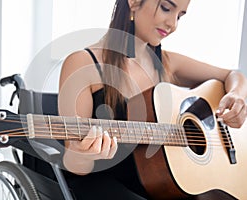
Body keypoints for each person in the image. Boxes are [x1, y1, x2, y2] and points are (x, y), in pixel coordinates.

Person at [58, 0, 247, 199]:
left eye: (180, 16)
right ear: (133, 2)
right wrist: (84, 153)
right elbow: (75, 164)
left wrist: (236, 95)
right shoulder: (83, 63)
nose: (173, 24)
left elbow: (233, 75)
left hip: (163, 186)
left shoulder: (167, 63)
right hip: (105, 187)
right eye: (166, 8)